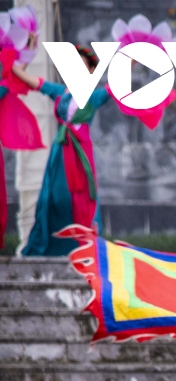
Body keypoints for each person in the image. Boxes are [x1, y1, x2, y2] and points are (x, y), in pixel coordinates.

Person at [11, 46, 110, 256]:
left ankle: (84, 247)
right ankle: (51, 247)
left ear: (91, 71)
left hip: (80, 155)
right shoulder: (58, 92)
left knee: (82, 199)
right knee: (54, 199)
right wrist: (28, 51)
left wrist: (132, 60)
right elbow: (20, 74)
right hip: (61, 153)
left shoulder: (94, 96)